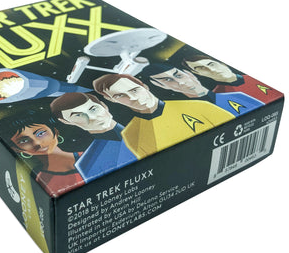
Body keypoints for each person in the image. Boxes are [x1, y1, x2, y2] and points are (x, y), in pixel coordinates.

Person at [93, 73, 235, 159]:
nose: (133, 98)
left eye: (135, 90)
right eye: (120, 96)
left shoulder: (199, 106)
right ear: (112, 100)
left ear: (144, 86)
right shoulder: (131, 134)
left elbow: (234, 131)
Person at [0, 109, 84, 197]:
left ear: (55, 132)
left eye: (41, 133)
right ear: (17, 149)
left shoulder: (88, 156)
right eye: (24, 140)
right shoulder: (39, 180)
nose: (37, 143)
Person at [50, 92, 137, 183]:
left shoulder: (143, 127)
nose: (92, 117)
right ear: (66, 122)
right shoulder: (90, 164)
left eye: (93, 109)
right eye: (78, 115)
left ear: (104, 106)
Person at [142, 62, 264, 117]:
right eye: (168, 80)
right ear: (161, 86)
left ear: (189, 74)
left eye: (178, 75)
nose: (181, 82)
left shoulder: (236, 95)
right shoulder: (181, 114)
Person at [181, 54, 283, 104]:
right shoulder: (218, 96)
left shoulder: (260, 79)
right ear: (197, 73)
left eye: (211, 64)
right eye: (201, 68)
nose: (212, 69)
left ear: (221, 62)